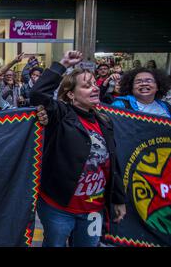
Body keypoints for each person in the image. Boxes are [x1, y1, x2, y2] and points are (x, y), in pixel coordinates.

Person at [30, 50, 126, 247]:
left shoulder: (105, 121)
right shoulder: (61, 114)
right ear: (71, 95)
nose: (94, 89)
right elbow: (38, 94)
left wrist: (117, 199)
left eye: (94, 84)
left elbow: (112, 164)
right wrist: (63, 64)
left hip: (94, 209)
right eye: (86, 86)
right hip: (59, 207)